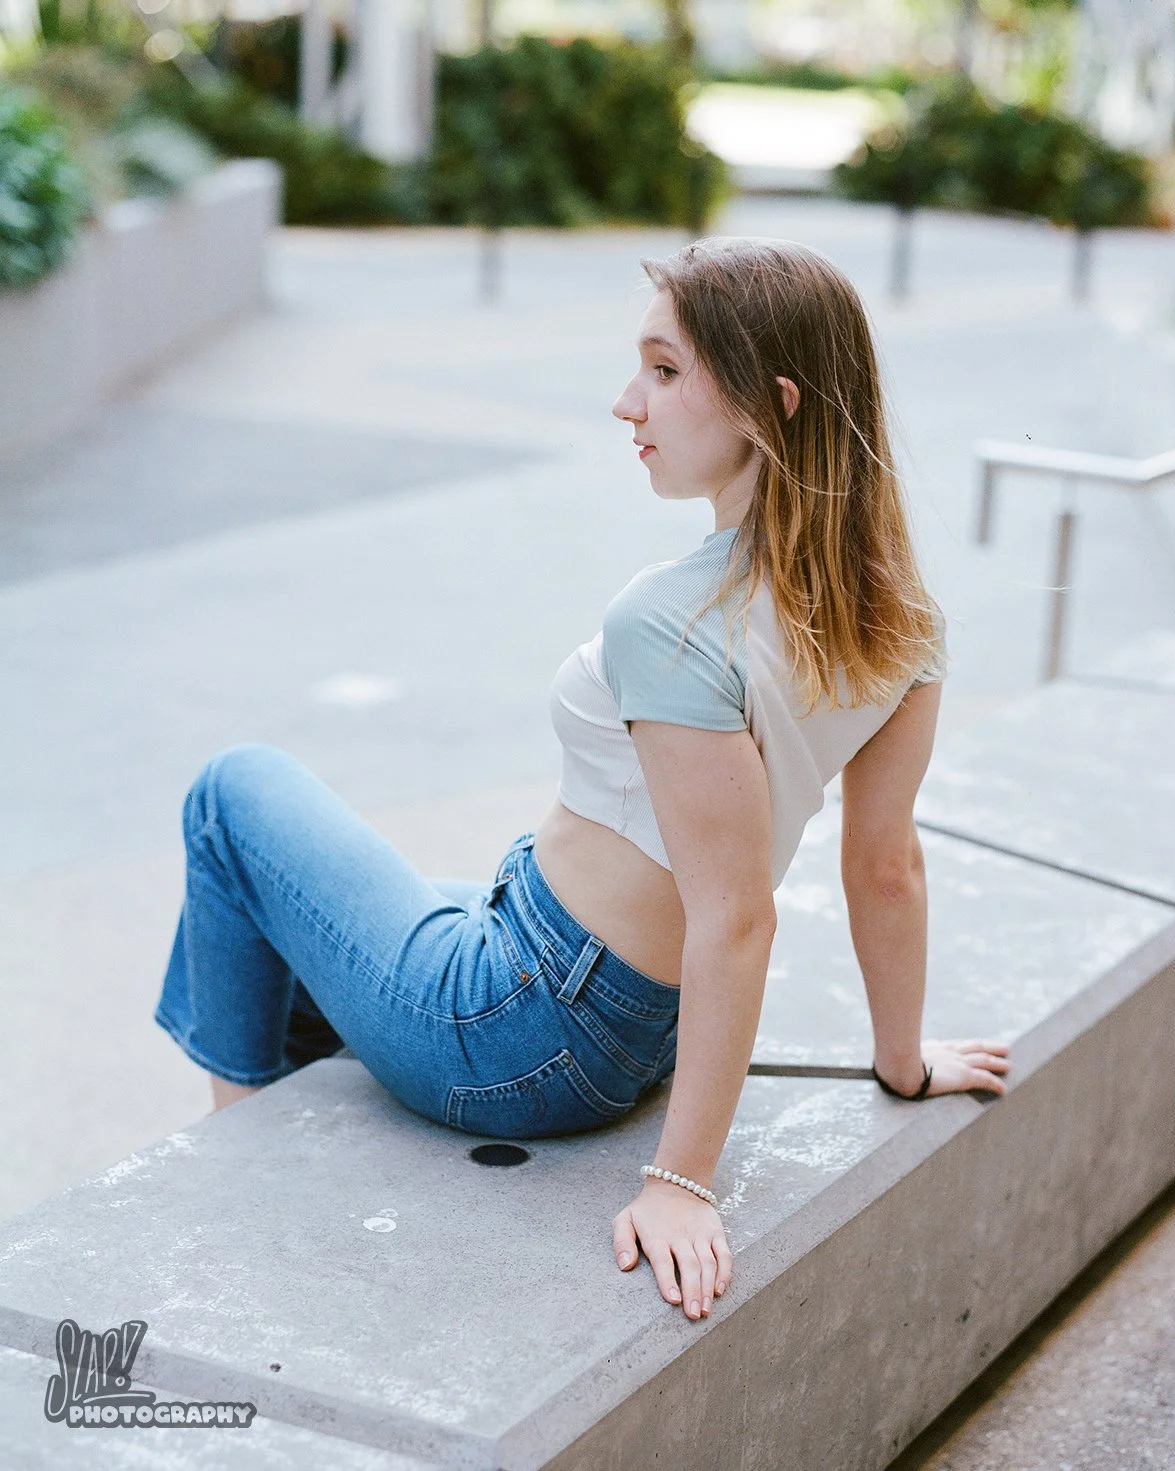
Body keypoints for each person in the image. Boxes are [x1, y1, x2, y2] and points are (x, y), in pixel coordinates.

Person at [154, 237, 1009, 1329]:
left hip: (519, 1024)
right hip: (629, 1018)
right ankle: (286, 1098)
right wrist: (904, 1062)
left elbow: (738, 917)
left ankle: (242, 1150)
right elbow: (886, 864)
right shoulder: (900, 615)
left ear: (768, 403)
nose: (626, 403)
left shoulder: (671, 622)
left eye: (662, 370)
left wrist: (681, 1180)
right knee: (335, 908)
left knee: (235, 795)